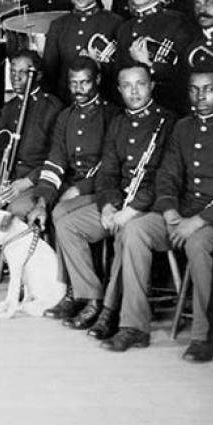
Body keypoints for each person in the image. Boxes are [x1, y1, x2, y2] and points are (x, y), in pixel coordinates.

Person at [104, 68, 213, 362]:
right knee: (135, 230)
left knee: (198, 244)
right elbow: (167, 176)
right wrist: (169, 211)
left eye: (209, 89)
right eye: (194, 90)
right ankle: (134, 326)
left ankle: (205, 337)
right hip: (181, 213)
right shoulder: (182, 127)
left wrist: (199, 221)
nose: (200, 96)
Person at [53, 64, 175, 337]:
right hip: (119, 202)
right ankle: (91, 296)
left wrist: (129, 211)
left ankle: (110, 311)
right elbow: (107, 172)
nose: (134, 91)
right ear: (118, 89)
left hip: (148, 208)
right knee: (67, 224)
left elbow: (165, 180)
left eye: (140, 84)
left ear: (151, 85)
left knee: (127, 234)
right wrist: (108, 205)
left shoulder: (168, 122)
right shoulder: (119, 121)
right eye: (127, 86)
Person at [27, 56, 120, 319]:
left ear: (98, 81)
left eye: (85, 83)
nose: (79, 90)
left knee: (61, 214)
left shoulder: (111, 115)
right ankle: (74, 291)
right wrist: (42, 201)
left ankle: (79, 293)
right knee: (54, 211)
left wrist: (81, 188)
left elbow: (112, 166)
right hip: (73, 185)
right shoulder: (65, 117)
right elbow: (55, 160)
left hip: (103, 188)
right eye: (73, 83)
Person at [0, 50, 62, 276]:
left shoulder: (53, 107)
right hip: (6, 178)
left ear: (38, 75)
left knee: (16, 213)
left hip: (35, 180)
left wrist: (27, 182)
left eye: (23, 73)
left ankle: (21, 271)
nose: (16, 77)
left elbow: (57, 156)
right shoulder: (8, 108)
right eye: (13, 72)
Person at [116, 0, 197, 116]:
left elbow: (185, 74)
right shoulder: (124, 29)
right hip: (132, 117)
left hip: (169, 111)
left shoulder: (177, 22)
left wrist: (149, 65)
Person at [41, 0, 122, 104]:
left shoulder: (115, 22)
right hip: (66, 104)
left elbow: (120, 70)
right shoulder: (58, 25)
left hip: (104, 105)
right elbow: (49, 72)